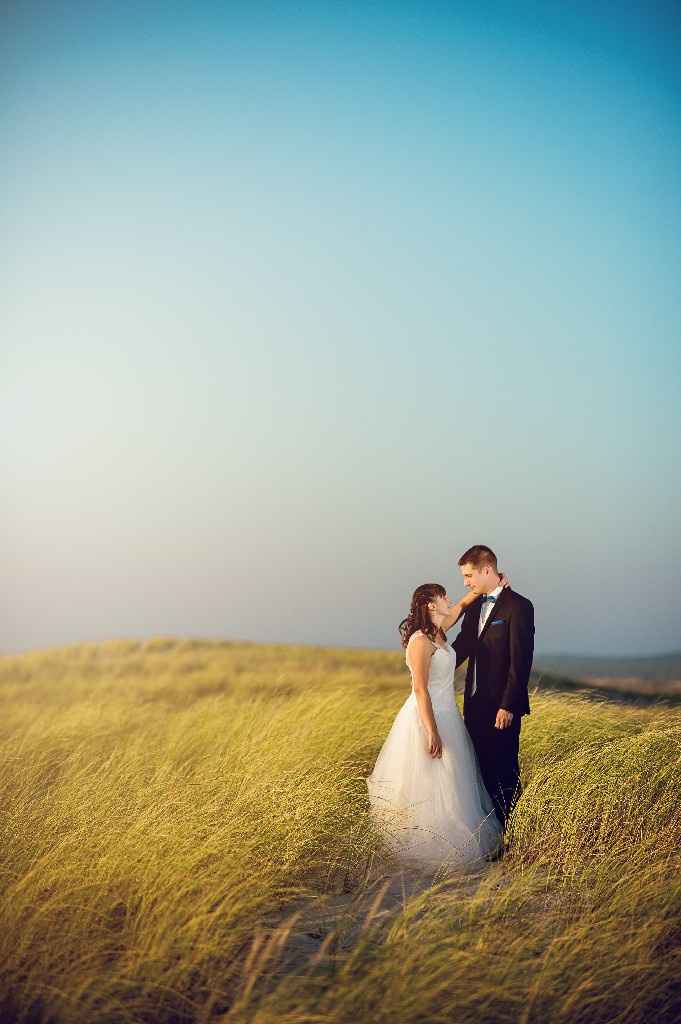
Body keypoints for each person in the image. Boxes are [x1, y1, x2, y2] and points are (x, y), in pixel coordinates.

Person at [365, 582, 505, 872]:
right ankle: (428, 844)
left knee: (454, 781)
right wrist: (431, 731)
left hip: (448, 714)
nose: (449, 600)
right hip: (426, 716)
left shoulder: (440, 632)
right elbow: (420, 690)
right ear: (430, 604)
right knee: (430, 781)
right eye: (443, 597)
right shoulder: (420, 642)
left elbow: (461, 606)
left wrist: (487, 586)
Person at [450, 545, 535, 833]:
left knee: (504, 773)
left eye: (469, 575)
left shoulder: (519, 607)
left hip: (502, 707)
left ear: (487, 570)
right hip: (474, 705)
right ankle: (490, 836)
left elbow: (520, 661)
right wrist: (436, 664)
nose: (466, 582)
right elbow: (463, 644)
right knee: (480, 772)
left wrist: (508, 705)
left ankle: (514, 836)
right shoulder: (475, 606)